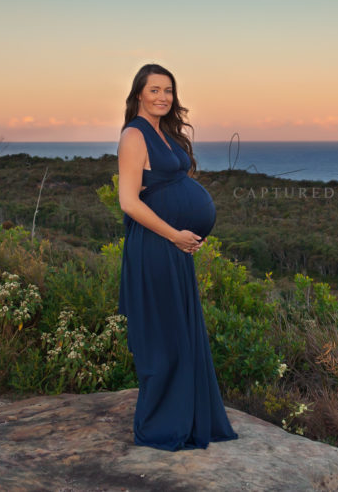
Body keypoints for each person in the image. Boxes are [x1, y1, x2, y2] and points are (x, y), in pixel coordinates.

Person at [116, 63, 239, 450]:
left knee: (181, 333)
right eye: (154, 90)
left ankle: (187, 418)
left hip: (174, 248)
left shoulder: (163, 132)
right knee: (164, 337)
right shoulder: (134, 135)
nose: (163, 97)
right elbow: (129, 202)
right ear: (139, 93)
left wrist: (187, 237)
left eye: (168, 91)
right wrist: (175, 234)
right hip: (156, 246)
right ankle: (160, 425)